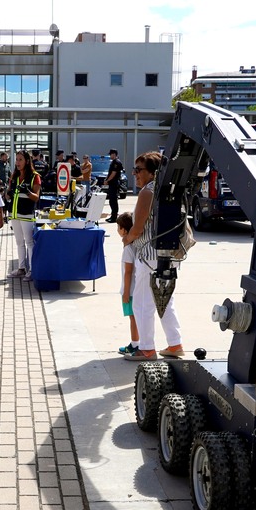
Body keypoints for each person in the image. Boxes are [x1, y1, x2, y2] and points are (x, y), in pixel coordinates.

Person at [122, 151, 184, 361]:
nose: (135, 174)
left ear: (152, 172)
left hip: (149, 256)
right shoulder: (168, 190)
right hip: (169, 254)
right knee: (166, 301)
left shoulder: (147, 192)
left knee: (142, 303)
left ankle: (147, 348)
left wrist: (127, 239)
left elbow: (138, 228)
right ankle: (175, 344)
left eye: (139, 170)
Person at [5, 150, 40, 278]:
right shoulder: (14, 176)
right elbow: (8, 195)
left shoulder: (34, 176)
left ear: (26, 161)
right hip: (14, 214)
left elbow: (36, 198)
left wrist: (28, 192)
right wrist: (8, 194)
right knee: (19, 242)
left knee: (29, 242)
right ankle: (21, 268)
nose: (17, 162)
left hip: (26, 214)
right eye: (16, 159)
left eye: (20, 159)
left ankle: (31, 271)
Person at [115, 212, 140, 355]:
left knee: (133, 318)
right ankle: (137, 342)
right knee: (135, 317)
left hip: (130, 290)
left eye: (118, 227)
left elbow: (128, 272)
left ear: (124, 230)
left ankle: (135, 344)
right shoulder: (135, 245)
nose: (118, 230)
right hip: (136, 288)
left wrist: (125, 292)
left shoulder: (128, 249)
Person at [105, 148, 123, 223]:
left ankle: (114, 217)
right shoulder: (113, 162)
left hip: (114, 183)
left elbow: (114, 173)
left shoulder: (116, 162)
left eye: (111, 154)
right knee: (111, 201)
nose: (110, 156)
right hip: (112, 183)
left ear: (114, 154)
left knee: (113, 201)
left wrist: (107, 180)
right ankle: (113, 216)